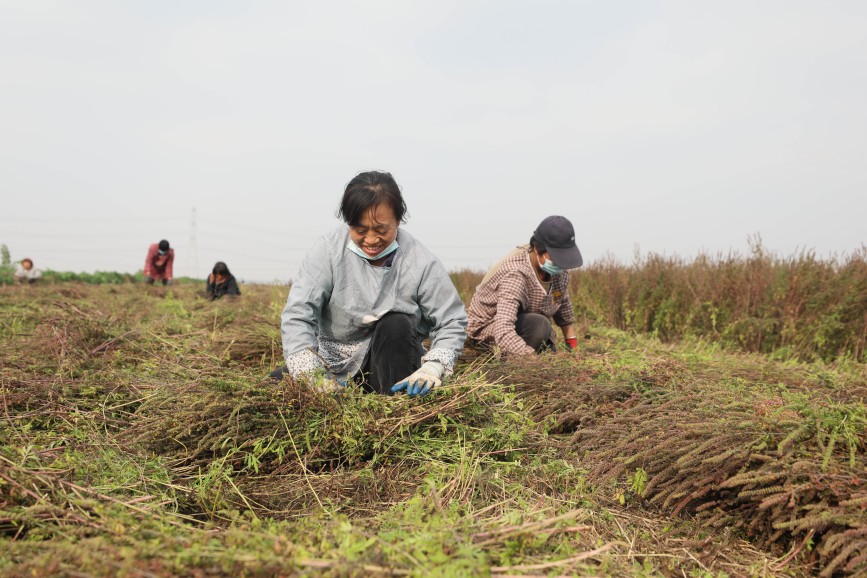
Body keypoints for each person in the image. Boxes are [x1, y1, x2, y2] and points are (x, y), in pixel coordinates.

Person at [272, 170, 467, 397]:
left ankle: (394, 410)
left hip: (393, 364)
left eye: (381, 230)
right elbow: (298, 314)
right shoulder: (328, 250)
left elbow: (452, 320)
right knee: (275, 387)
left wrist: (433, 367)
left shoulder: (419, 260)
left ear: (398, 220)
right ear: (348, 223)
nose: (372, 240)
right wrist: (312, 376)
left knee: (395, 324)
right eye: (360, 230)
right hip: (334, 364)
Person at [467, 215, 583, 355]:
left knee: (547, 344)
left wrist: (573, 351)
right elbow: (503, 329)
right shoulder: (516, 273)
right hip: (487, 331)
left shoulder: (560, 274)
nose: (560, 264)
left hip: (522, 325)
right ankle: (502, 359)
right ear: (536, 249)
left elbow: (564, 313)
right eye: (555, 257)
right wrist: (530, 362)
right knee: (540, 326)